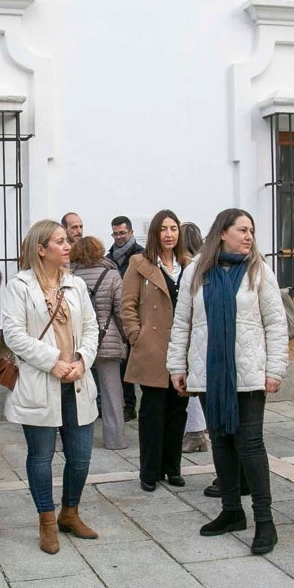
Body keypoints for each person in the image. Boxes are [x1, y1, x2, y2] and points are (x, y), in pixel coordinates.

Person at [168, 209, 288, 554]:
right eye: (242, 230)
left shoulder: (258, 270)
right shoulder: (196, 272)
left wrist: (275, 369)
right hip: (209, 373)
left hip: (248, 375)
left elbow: (275, 324)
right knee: (220, 441)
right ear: (222, 233)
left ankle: (265, 521)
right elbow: (182, 324)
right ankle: (232, 512)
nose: (249, 236)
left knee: (250, 445)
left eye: (252, 230)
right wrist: (177, 366)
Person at [4, 222, 101, 553]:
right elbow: (13, 334)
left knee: (81, 457)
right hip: (41, 382)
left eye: (67, 240)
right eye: (60, 241)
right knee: (41, 456)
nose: (67, 245)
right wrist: (52, 361)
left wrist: (82, 360)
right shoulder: (19, 286)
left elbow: (91, 327)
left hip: (76, 381)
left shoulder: (75, 284)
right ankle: (47, 521)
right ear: (41, 249)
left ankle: (70, 513)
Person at [123, 210, 191, 491]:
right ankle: (149, 472)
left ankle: (172, 468)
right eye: (163, 229)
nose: (169, 234)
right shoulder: (139, 264)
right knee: (152, 413)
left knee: (178, 411)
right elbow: (127, 305)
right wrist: (136, 336)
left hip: (181, 348)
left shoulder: (188, 265)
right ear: (154, 233)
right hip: (152, 349)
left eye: (173, 228)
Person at [70, 236, 127, 451]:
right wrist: (123, 336)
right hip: (107, 338)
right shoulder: (111, 274)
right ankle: (116, 440)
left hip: (78, 340)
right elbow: (121, 310)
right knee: (112, 392)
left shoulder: (70, 275)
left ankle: (74, 439)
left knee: (76, 390)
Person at [109, 216, 144, 422]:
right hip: (118, 317)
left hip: (138, 315)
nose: (119, 237)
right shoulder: (110, 257)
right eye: (115, 233)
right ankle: (129, 406)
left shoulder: (141, 255)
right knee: (124, 365)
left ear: (130, 232)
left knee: (139, 362)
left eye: (122, 233)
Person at [179, 223, 210, 453]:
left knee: (194, 386)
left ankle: (196, 433)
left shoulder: (193, 266)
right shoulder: (199, 264)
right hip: (196, 334)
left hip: (194, 335)